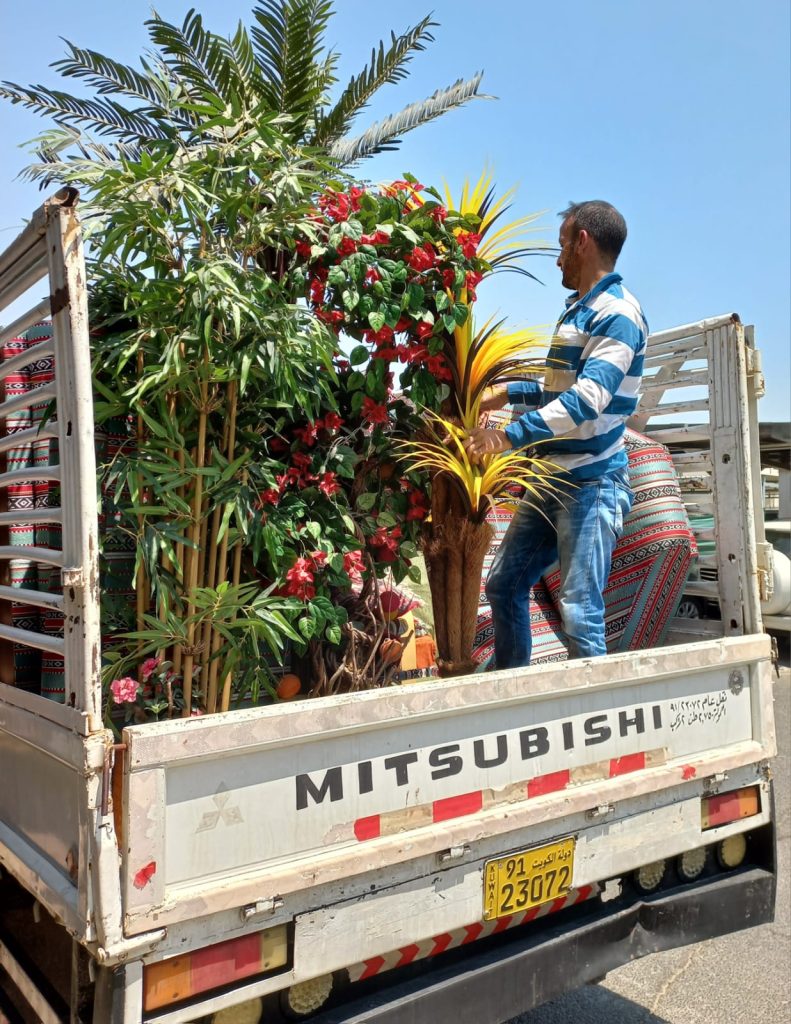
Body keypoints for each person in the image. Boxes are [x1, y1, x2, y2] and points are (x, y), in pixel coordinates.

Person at [463, 200, 648, 669]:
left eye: (563, 244)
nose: (558, 256)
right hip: (554, 480)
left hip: (591, 483)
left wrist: (505, 438)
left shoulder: (617, 313)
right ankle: (516, 699)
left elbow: (586, 402)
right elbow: (557, 393)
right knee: (503, 586)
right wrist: (506, 394)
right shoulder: (577, 312)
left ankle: (597, 730)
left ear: (582, 241)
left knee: (579, 612)